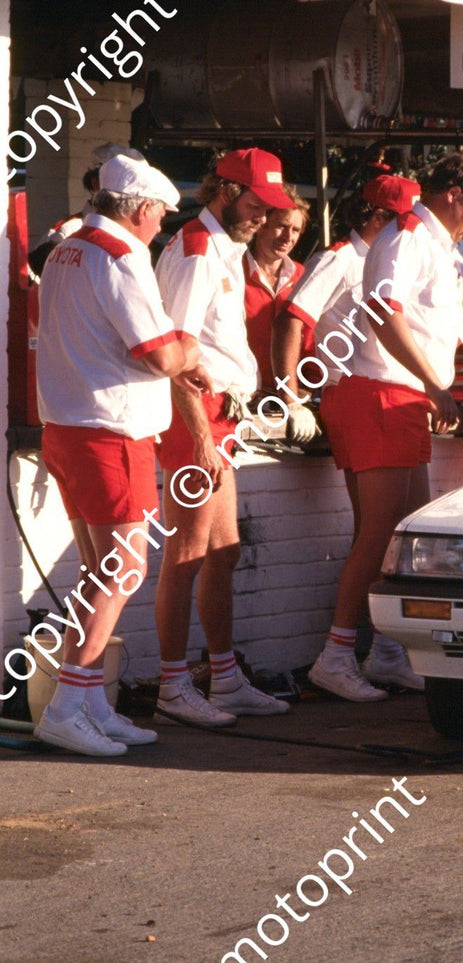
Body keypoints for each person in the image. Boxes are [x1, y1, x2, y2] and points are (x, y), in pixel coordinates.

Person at [310, 153, 463, 701]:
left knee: (400, 535)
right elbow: (382, 308)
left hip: (396, 393)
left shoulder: (439, 246)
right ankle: (336, 652)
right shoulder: (405, 236)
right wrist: (433, 382)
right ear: (456, 196)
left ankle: (385, 650)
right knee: (380, 533)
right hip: (380, 388)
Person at [32, 155, 206, 755]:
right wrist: (190, 346)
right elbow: (159, 354)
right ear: (140, 209)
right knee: (122, 571)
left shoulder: (68, 246)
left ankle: (87, 703)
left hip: (69, 428)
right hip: (111, 431)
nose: (159, 227)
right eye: (159, 214)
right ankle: (67, 705)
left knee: (98, 573)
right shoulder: (122, 254)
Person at [153, 148, 296, 725]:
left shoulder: (219, 248)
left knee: (223, 551)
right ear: (223, 190)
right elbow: (175, 358)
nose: (263, 217)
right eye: (255, 203)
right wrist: (203, 440)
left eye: (270, 206)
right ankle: (171, 687)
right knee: (186, 554)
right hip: (200, 418)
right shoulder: (194, 251)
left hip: (219, 419)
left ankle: (223, 677)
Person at [277, 174, 419, 531]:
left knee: (389, 526)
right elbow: (290, 321)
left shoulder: (384, 262)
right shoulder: (339, 258)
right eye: (404, 222)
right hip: (352, 392)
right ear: (377, 219)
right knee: (379, 528)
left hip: (377, 395)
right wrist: (290, 398)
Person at [29, 142, 145, 277]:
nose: (133, 195)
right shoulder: (68, 231)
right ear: (96, 183)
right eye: (122, 184)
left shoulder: (143, 233)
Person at [244, 186, 309, 391]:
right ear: (261, 225)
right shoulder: (232, 271)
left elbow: (311, 341)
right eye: (282, 226)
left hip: (293, 395)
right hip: (244, 393)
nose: (288, 237)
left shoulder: (303, 276)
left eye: (296, 230)